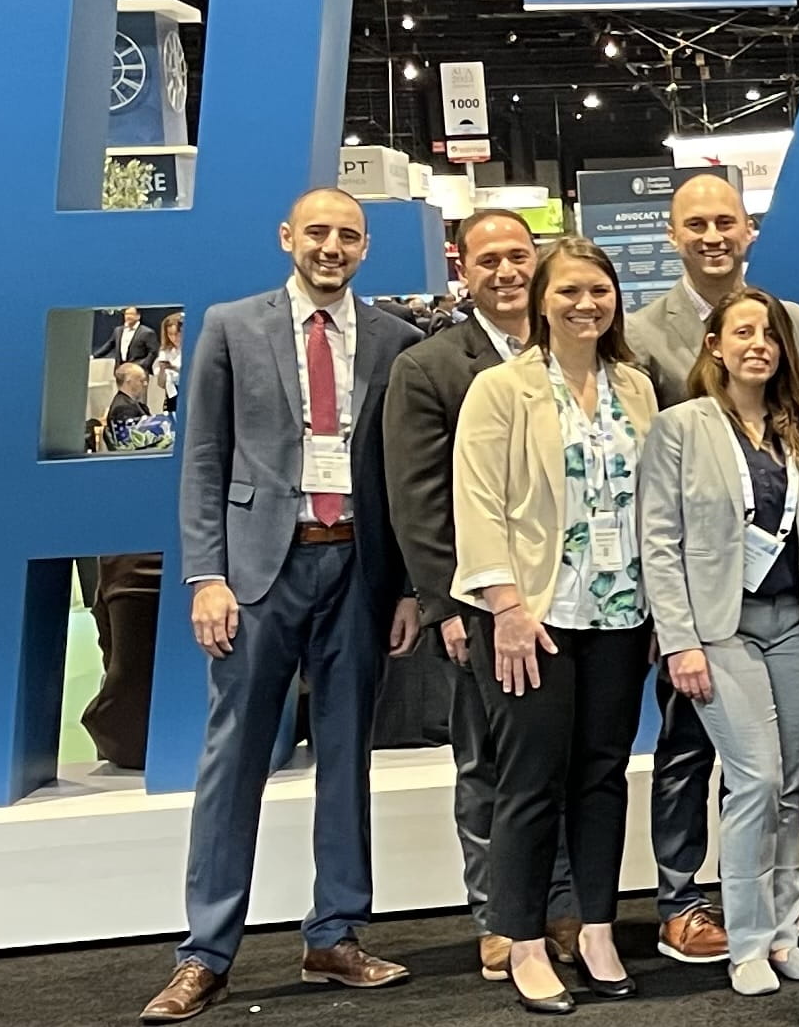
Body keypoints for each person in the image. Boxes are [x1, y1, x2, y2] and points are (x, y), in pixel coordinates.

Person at [141, 190, 425, 1024]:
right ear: (287, 238)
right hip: (257, 574)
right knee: (233, 761)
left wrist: (407, 587)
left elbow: (406, 478)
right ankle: (205, 954)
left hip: (359, 570)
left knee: (347, 757)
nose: (332, 247)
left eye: (348, 236)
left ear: (365, 248)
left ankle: (335, 934)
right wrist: (206, 576)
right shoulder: (232, 327)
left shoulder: (396, 340)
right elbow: (202, 458)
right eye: (318, 233)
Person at [618, 171, 799, 966]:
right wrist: (672, 622)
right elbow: (657, 505)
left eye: (725, 222)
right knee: (688, 753)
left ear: (748, 230)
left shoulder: (793, 322)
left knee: (778, 777)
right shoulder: (642, 335)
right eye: (696, 224)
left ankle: (770, 915)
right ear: (673, 235)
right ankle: (684, 902)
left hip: (789, 609)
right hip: (706, 608)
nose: (712, 236)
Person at [452, 237, 661, 1013]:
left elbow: (654, 503)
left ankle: (598, 930)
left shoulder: (636, 388)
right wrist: (505, 608)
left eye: (598, 290)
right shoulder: (501, 389)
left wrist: (661, 609)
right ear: (542, 301)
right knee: (530, 782)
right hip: (532, 618)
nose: (585, 304)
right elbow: (477, 504)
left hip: (619, 614)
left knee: (603, 777)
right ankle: (525, 942)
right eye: (569, 291)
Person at [641, 288, 799, 996]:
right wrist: (678, 639)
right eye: (743, 332)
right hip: (720, 630)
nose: (758, 344)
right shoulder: (680, 427)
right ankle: (744, 943)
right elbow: (659, 541)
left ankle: (783, 936)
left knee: (790, 785)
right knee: (756, 780)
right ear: (715, 345)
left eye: (769, 334)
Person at [382, 210, 574, 977]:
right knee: (486, 763)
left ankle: (561, 905)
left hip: (569, 599)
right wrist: (447, 606)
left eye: (518, 256)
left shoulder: (572, 354)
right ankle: (498, 914)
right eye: (488, 259)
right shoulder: (429, 368)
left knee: (560, 760)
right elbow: (418, 500)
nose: (506, 272)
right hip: (480, 605)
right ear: (463, 269)